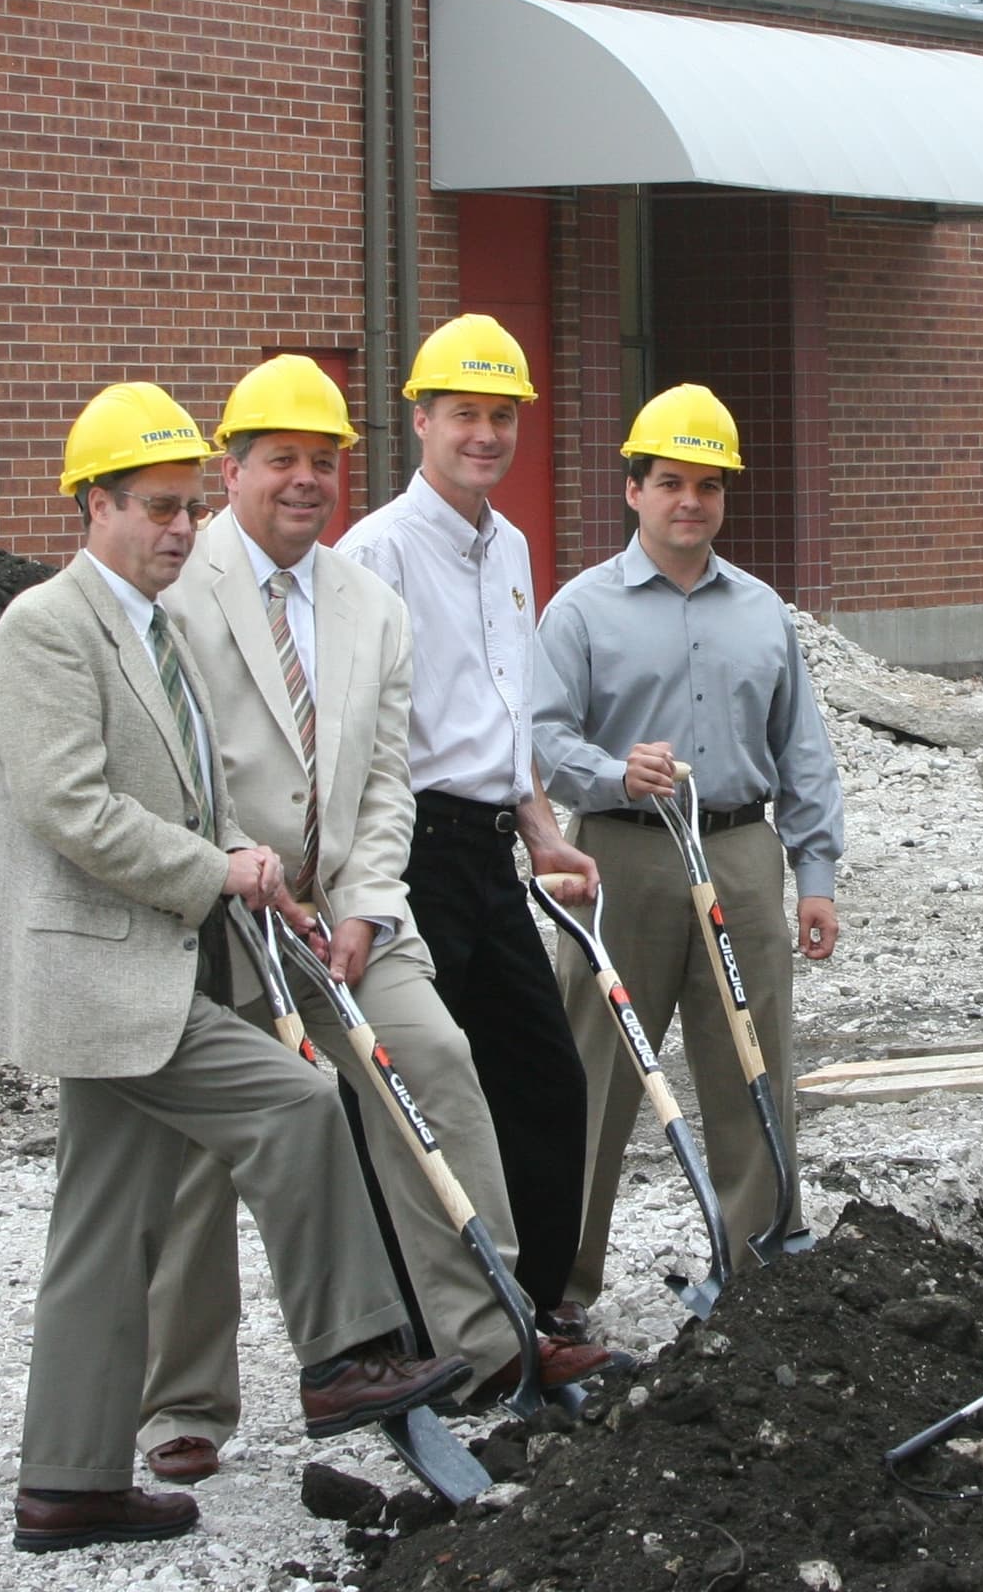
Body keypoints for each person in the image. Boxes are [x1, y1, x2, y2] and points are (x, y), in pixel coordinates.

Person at [0, 382, 466, 1555]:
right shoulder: (47, 625)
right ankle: (347, 1353)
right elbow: (73, 808)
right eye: (155, 507)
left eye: (189, 509)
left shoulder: (154, 626)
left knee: (106, 1224)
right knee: (299, 1101)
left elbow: (192, 787)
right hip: (103, 973)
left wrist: (258, 875)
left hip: (158, 972)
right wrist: (218, 867)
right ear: (91, 503)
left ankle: (68, 1479)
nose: (179, 530)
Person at [136, 358, 608, 1484]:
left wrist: (364, 902)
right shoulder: (177, 592)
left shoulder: (365, 604)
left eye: (322, 460)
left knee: (436, 1058)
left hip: (342, 912)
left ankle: (487, 1334)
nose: (305, 480)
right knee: (208, 1153)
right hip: (218, 909)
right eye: (282, 459)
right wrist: (230, 874)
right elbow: (158, 762)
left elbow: (387, 778)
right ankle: (183, 1403)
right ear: (233, 469)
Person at [533, 384, 846, 1305]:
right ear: (633, 489)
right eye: (670, 482)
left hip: (742, 857)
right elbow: (543, 740)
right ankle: (561, 1287)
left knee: (755, 1063)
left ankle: (756, 1268)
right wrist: (610, 772)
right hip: (617, 860)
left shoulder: (761, 612)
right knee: (593, 1069)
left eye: (708, 486)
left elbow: (804, 750)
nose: (690, 502)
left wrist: (815, 872)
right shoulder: (580, 612)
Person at [335, 314, 604, 1339]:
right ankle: (410, 1317)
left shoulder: (512, 547)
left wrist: (539, 826)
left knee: (541, 1069)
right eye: (465, 414)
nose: (485, 434)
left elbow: (503, 713)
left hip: (489, 847)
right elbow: (370, 736)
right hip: (410, 850)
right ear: (420, 420)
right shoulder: (378, 552)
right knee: (413, 1082)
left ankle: (535, 1298)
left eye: (501, 416)